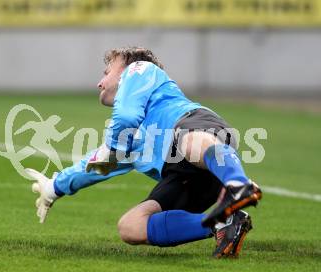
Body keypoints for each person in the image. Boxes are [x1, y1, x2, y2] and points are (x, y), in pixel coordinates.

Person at [27, 47, 262, 258]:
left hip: (194, 126)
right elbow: (94, 167)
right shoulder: (127, 138)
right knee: (130, 226)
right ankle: (223, 223)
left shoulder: (141, 68)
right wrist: (53, 187)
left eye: (106, 72)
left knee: (189, 143)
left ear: (126, 68)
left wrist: (113, 149)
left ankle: (237, 184)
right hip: (185, 177)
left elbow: (126, 118)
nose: (100, 82)